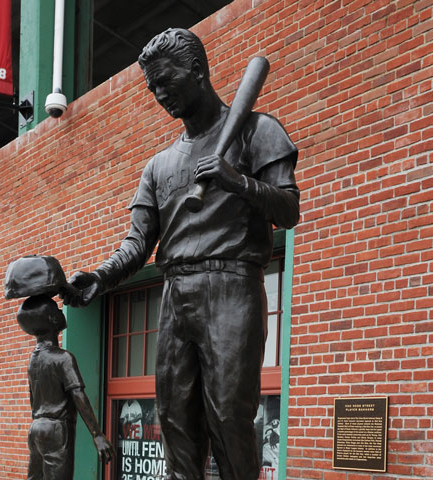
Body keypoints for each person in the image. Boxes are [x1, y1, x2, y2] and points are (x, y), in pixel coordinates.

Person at [61, 27, 300, 480]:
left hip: (232, 286)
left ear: (197, 71)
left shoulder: (256, 131)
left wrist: (235, 181)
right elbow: (137, 243)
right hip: (176, 294)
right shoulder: (159, 165)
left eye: (165, 80)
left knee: (229, 416)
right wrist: (101, 276)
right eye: (152, 87)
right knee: (174, 419)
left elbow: (289, 209)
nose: (158, 94)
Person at [17, 295, 114, 480]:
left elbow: (33, 398)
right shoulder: (63, 358)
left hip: (36, 427)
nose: (61, 311)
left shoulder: (33, 360)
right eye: (57, 309)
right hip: (57, 430)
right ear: (53, 319)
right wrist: (97, 434)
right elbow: (78, 395)